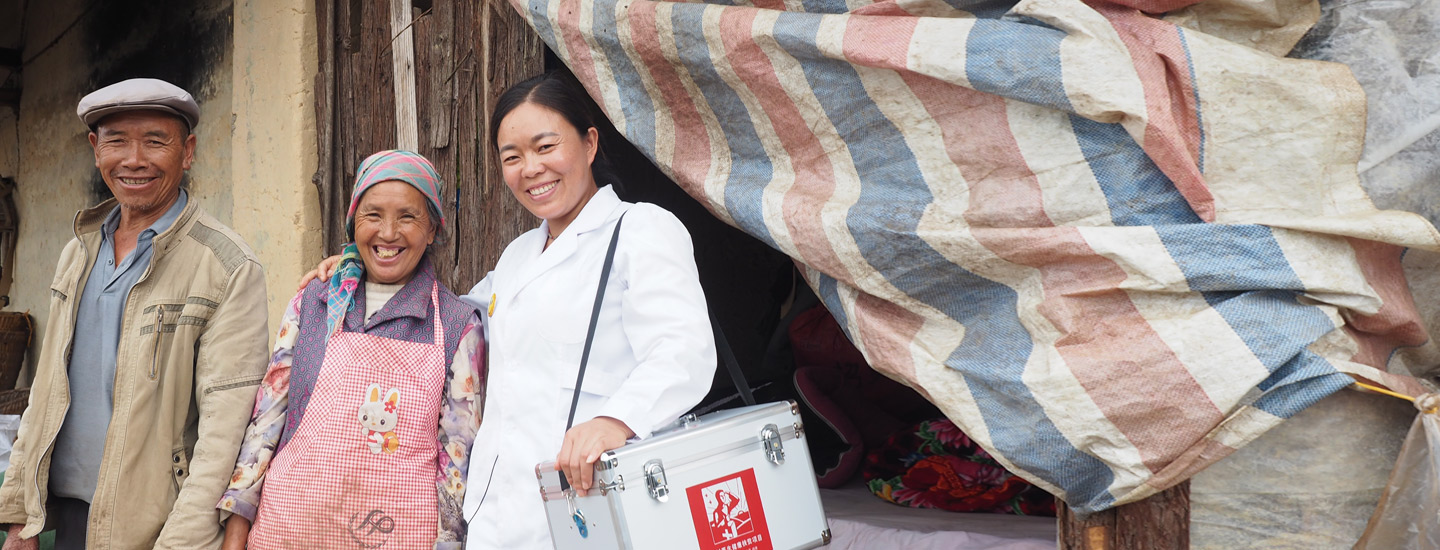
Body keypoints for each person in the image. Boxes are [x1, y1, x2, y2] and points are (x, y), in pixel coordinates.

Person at [303, 73, 716, 548]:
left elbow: (683, 352)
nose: (531, 168)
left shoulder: (639, 230)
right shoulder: (518, 255)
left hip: (590, 509)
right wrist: (361, 271)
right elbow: (453, 319)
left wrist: (615, 421)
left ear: (589, 143)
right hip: (497, 518)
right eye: (512, 156)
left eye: (545, 147)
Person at [0, 78, 271, 549]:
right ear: (95, 149)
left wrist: (182, 542)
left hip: (155, 529)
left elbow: (225, 430)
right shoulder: (78, 251)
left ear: (187, 151)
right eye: (117, 141)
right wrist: (21, 515)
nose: (134, 160)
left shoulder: (226, 266)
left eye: (155, 142)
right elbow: (45, 391)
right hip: (67, 518)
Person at [218, 150, 483, 550]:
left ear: (432, 229)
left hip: (396, 536)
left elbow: (457, 464)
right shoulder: (313, 301)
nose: (388, 233)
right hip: (288, 529)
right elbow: (265, 423)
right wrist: (236, 532)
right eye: (373, 215)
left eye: (407, 217)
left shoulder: (457, 324)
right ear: (353, 222)